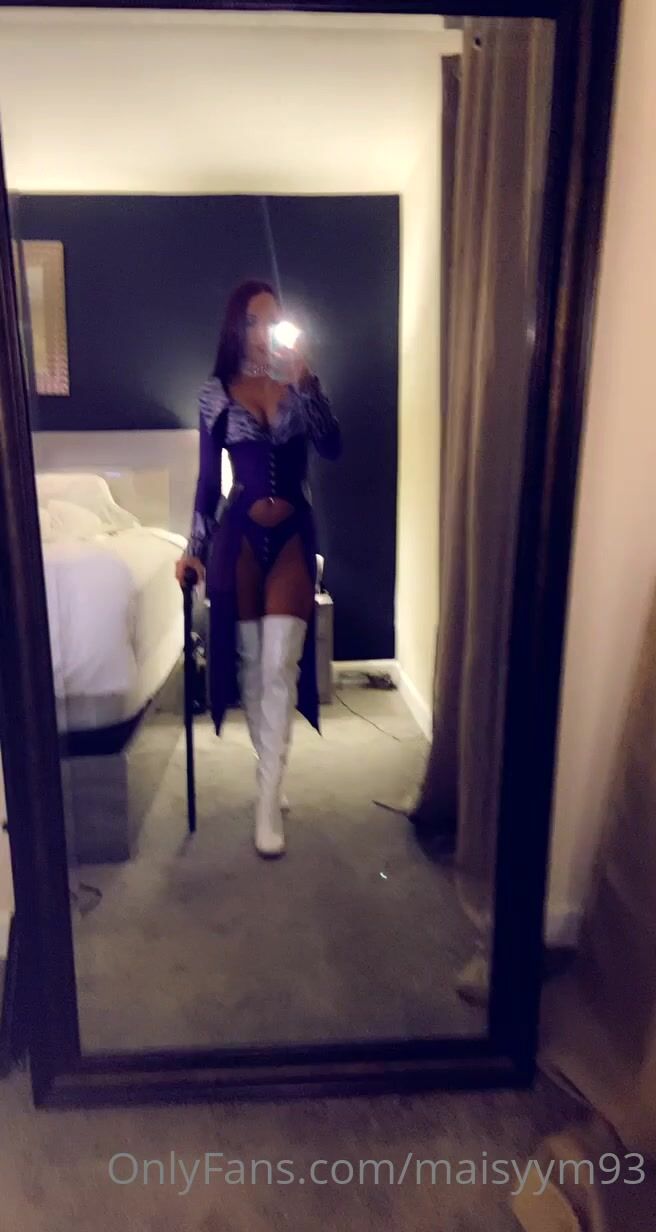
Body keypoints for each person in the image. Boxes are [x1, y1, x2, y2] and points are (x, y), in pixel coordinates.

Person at [176, 280, 341, 858]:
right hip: (238, 536)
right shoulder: (214, 393)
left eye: (273, 320)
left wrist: (307, 381)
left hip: (293, 534)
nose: (263, 331)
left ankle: (268, 801)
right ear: (236, 327)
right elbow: (206, 483)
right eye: (253, 320)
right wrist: (193, 548)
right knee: (251, 666)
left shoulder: (299, 383)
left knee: (279, 664)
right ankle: (268, 764)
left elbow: (333, 446)